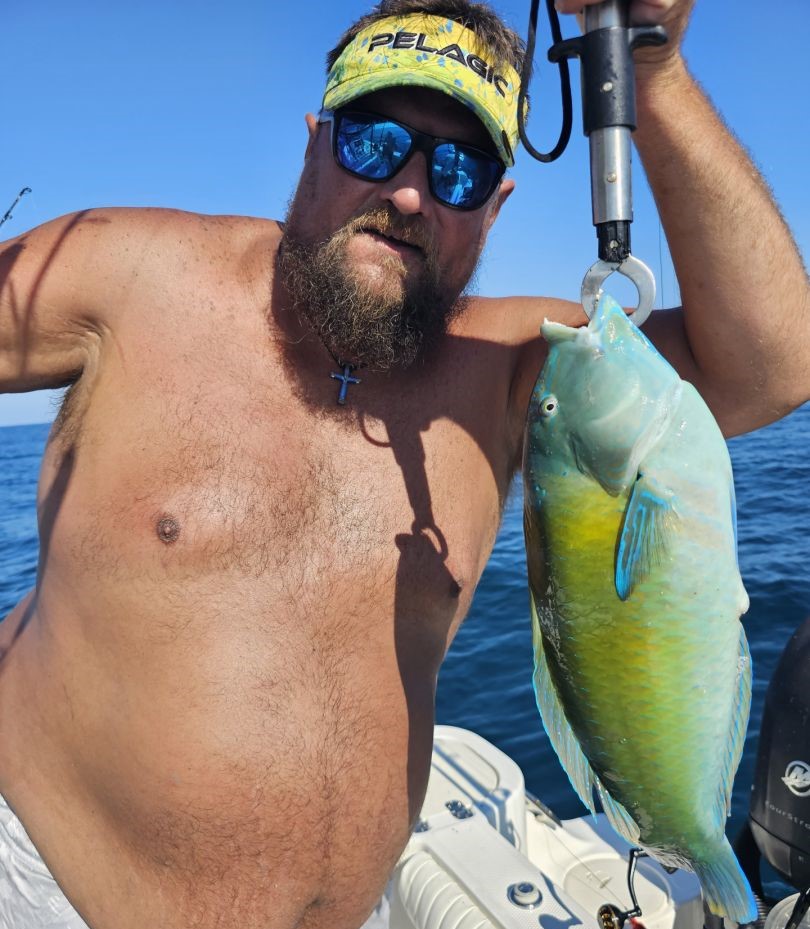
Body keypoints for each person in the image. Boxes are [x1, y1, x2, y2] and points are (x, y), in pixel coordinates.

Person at [0, 0, 807, 927]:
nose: (413, 193)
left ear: (495, 209)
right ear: (316, 144)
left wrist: (652, 68)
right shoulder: (131, 274)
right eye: (374, 143)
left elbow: (773, 366)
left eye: (460, 170)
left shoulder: (516, 366)